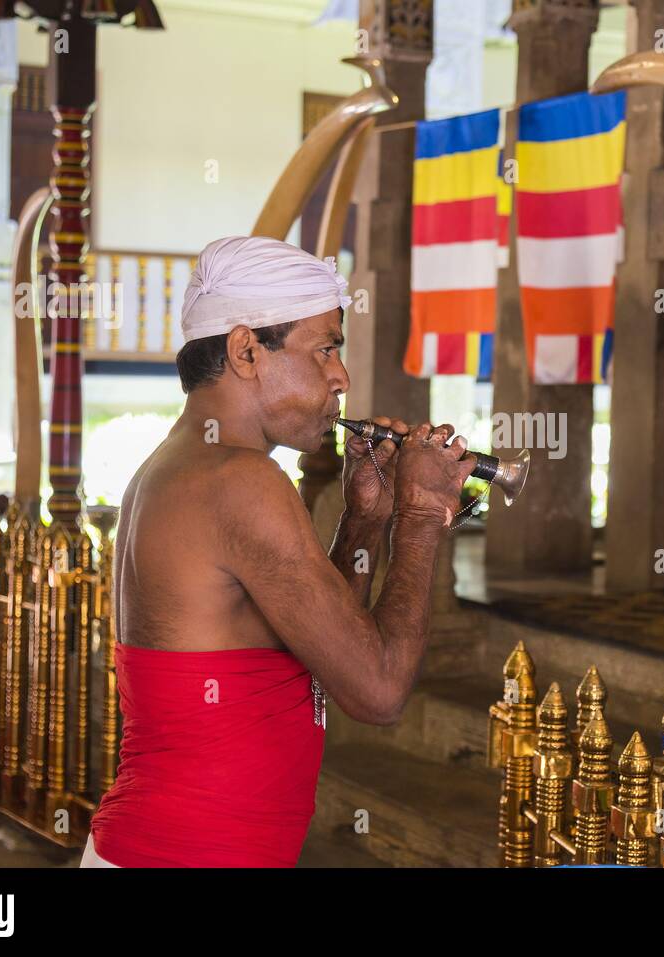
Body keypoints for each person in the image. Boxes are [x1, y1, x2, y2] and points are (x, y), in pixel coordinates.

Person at [82, 235, 475, 867]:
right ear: (244, 351)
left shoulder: (180, 465)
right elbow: (377, 691)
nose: (340, 376)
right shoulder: (242, 480)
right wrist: (423, 514)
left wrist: (365, 520)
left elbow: (324, 654)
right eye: (324, 349)